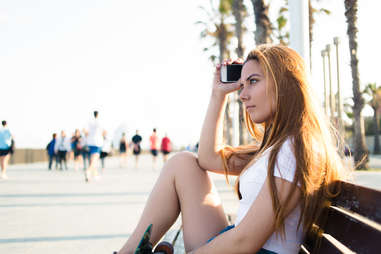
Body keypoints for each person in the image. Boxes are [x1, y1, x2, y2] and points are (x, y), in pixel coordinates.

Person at [117, 45, 348, 254]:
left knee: (182, 163)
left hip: (250, 248)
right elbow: (207, 158)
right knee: (183, 163)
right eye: (242, 84)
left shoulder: (295, 149)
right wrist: (218, 95)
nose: (242, 94)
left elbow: (245, 241)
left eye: (253, 81)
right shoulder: (278, 147)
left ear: (283, 83)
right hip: (237, 241)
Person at [85, 111, 103, 182]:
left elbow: (85, 131)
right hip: (97, 143)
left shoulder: (90, 122)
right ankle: (88, 172)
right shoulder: (99, 122)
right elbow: (103, 131)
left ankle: (95, 174)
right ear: (98, 115)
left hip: (90, 142)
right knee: (94, 161)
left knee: (92, 160)